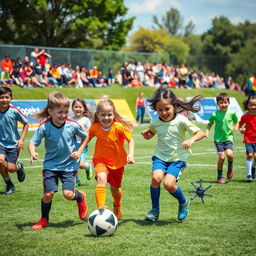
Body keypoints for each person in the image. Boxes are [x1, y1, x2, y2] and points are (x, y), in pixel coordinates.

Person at [141, 87, 205, 222]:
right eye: (160, 110)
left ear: (174, 106)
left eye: (167, 109)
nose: (163, 112)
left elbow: (200, 133)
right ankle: (155, 210)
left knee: (169, 184)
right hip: (160, 157)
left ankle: (183, 202)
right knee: (156, 178)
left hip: (177, 158)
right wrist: (147, 135)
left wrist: (191, 139)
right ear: (155, 109)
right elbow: (151, 133)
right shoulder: (154, 122)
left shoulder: (181, 120)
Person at [28, 91, 89, 230]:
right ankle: (44, 219)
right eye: (60, 112)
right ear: (50, 111)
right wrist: (32, 152)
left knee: (68, 195)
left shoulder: (72, 124)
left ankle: (80, 197)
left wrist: (79, 152)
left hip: (69, 166)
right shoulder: (44, 126)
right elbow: (32, 142)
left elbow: (86, 136)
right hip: (50, 165)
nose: (64, 115)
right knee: (48, 194)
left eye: (66, 111)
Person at [87, 99, 135, 220]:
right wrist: (78, 151)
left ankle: (117, 205)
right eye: (103, 114)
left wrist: (131, 153)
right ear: (98, 115)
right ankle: (101, 208)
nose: (106, 117)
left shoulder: (118, 127)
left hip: (117, 163)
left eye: (109, 114)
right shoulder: (95, 127)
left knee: (115, 189)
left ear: (114, 114)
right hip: (100, 160)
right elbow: (86, 139)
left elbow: (130, 140)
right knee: (101, 179)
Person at [205, 93, 238, 184]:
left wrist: (236, 127)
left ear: (229, 103)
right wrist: (207, 131)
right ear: (217, 104)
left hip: (228, 138)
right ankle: (219, 177)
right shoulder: (215, 114)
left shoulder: (232, 113)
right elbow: (209, 124)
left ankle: (230, 168)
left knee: (230, 154)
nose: (223, 104)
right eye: (221, 103)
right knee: (222, 157)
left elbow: (236, 122)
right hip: (218, 139)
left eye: (225, 102)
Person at [0, 87, 28, 195]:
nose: (4, 100)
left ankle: (19, 167)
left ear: (11, 98)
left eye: (7, 97)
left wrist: (21, 139)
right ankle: (9, 184)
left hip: (13, 144)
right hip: (1, 144)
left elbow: (26, 123)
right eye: (1, 97)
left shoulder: (14, 111)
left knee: (11, 169)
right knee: (0, 161)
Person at [70, 98, 93, 186]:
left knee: (79, 164)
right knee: (71, 164)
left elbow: (89, 133)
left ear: (84, 109)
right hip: (71, 145)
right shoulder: (69, 119)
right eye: (76, 107)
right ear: (72, 108)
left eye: (80, 107)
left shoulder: (85, 120)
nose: (78, 109)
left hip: (82, 145)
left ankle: (87, 166)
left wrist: (83, 130)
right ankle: (77, 180)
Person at [236, 95, 256, 182]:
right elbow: (239, 125)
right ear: (247, 105)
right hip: (248, 139)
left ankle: (253, 168)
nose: (253, 107)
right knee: (250, 155)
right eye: (251, 105)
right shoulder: (245, 116)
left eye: (255, 105)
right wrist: (241, 130)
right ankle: (249, 175)